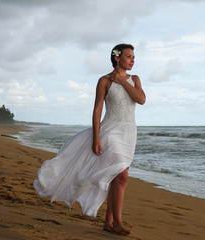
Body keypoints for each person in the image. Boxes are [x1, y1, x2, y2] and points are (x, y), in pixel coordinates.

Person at [34, 43, 145, 236]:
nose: (132, 60)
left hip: (129, 133)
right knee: (122, 175)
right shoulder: (104, 81)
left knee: (117, 176)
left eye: (133, 57)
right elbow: (97, 110)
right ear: (117, 58)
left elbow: (141, 99)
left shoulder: (134, 79)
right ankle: (118, 223)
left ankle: (108, 223)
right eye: (128, 56)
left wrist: (124, 81)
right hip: (110, 131)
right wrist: (96, 138)